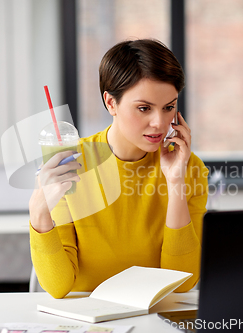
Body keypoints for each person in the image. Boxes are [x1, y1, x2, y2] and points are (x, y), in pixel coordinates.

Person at [29, 39, 209, 299]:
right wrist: (39, 213)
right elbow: (58, 287)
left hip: (154, 317)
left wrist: (176, 182)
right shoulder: (70, 164)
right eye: (144, 108)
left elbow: (181, 282)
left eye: (169, 107)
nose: (159, 123)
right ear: (111, 103)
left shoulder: (189, 167)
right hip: (86, 318)